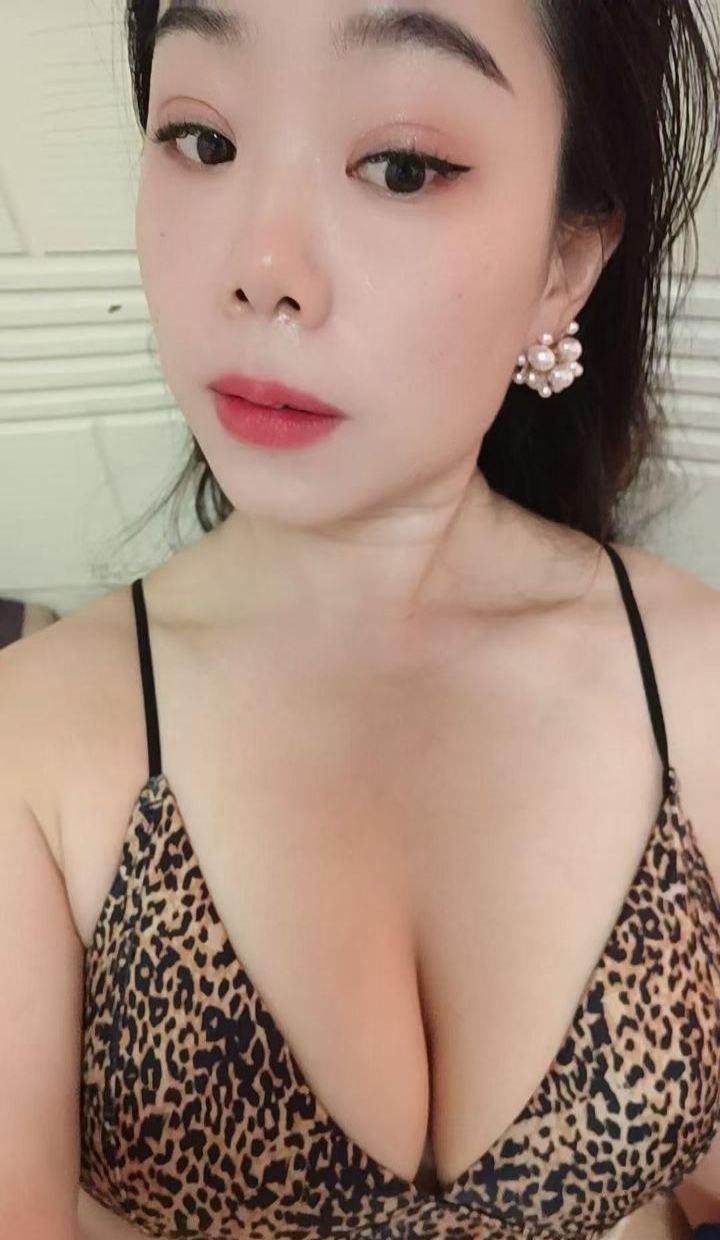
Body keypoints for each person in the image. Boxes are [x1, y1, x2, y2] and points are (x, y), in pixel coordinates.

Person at [2, 2, 720, 1238]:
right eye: (203, 140)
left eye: (400, 166)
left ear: (565, 261)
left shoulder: (696, 680)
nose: (260, 267)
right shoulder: (37, 742)